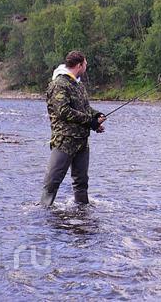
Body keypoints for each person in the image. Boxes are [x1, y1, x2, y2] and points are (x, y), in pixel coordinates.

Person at [40, 50, 106, 207]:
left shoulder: (79, 84)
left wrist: (96, 116)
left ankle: (82, 211)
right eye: (85, 64)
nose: (86, 67)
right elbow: (63, 111)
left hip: (82, 142)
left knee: (81, 182)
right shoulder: (58, 84)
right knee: (52, 181)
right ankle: (43, 213)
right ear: (79, 65)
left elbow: (84, 108)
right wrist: (90, 122)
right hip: (64, 141)